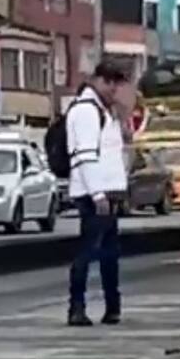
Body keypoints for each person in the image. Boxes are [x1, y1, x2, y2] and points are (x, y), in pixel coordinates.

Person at [66, 61, 130, 326]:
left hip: (108, 192)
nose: (114, 88)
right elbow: (85, 157)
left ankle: (112, 308)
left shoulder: (106, 112)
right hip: (95, 194)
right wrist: (97, 195)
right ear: (98, 81)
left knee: (109, 255)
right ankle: (76, 308)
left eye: (118, 83)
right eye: (110, 82)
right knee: (88, 252)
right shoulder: (86, 111)